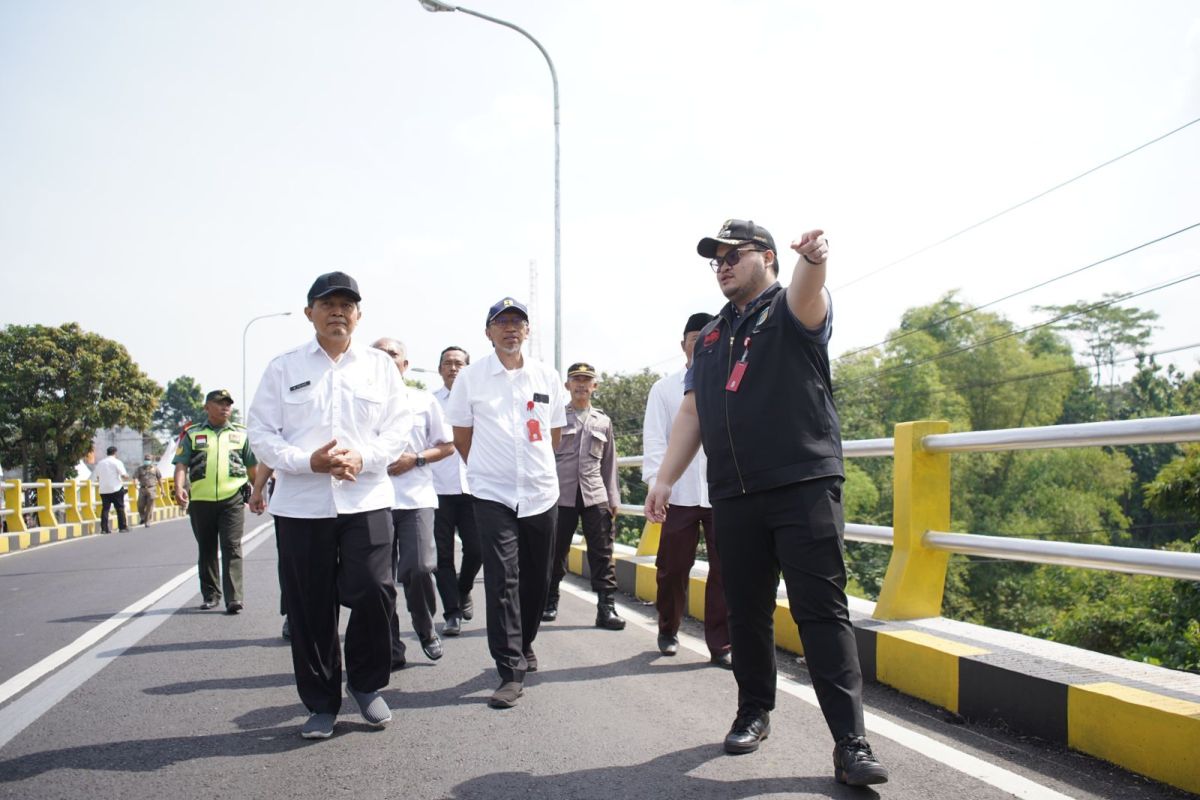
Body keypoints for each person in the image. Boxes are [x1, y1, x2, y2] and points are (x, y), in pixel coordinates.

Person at [644, 220, 889, 786]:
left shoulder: (788, 309)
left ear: (769, 258)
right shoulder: (708, 338)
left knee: (820, 611)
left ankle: (850, 741)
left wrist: (816, 260)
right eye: (717, 258)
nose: (724, 263)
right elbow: (693, 413)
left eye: (735, 254)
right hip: (734, 493)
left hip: (802, 485)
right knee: (746, 611)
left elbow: (810, 293)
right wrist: (663, 480)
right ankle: (753, 710)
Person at [247, 271, 410, 739]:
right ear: (309, 313)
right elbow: (261, 432)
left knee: (376, 588)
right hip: (302, 504)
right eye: (327, 304)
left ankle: (367, 684)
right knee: (309, 604)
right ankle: (321, 703)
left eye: (347, 305)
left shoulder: (380, 367)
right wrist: (307, 462)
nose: (338, 311)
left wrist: (365, 456)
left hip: (368, 496)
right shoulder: (283, 368)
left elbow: (397, 430)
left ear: (358, 315)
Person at [444, 297, 567, 709]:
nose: (511, 328)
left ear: (527, 331)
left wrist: (533, 470)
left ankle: (525, 641)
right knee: (501, 579)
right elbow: (462, 436)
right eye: (502, 322)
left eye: (518, 322)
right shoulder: (471, 378)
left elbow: (553, 436)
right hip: (492, 493)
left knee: (538, 577)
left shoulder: (546, 376)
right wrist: (485, 467)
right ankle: (509, 670)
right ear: (489, 332)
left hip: (540, 491)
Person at [642, 312, 731, 669]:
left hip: (721, 493)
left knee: (724, 570)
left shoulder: (731, 380)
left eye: (709, 337)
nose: (701, 343)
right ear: (684, 345)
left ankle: (720, 644)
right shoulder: (664, 388)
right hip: (678, 494)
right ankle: (668, 628)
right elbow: (654, 441)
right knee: (672, 568)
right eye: (695, 338)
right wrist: (656, 485)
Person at [372, 338, 455, 668]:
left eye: (393, 354)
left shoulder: (423, 401)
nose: (387, 359)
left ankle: (425, 628)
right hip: (372, 500)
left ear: (405, 365)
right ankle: (392, 645)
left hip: (416, 499)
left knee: (418, 568)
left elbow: (447, 446)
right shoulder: (357, 401)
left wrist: (416, 459)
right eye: (378, 354)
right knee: (379, 580)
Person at [545, 362, 623, 630]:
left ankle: (606, 608)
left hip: (594, 493)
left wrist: (613, 498)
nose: (581, 384)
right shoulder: (555, 416)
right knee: (555, 550)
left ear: (594, 386)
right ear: (567, 385)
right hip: (560, 494)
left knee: (602, 552)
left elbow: (609, 462)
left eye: (586, 380)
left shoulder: (603, 421)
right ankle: (549, 600)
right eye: (576, 379)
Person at [173, 389, 258, 614]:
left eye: (228, 404)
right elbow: (181, 463)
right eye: (219, 403)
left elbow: (252, 467)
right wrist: (178, 486)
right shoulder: (193, 434)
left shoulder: (241, 434)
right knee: (207, 548)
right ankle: (211, 595)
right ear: (207, 407)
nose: (225, 407)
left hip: (233, 498)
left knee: (231, 546)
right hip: (201, 500)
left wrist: (259, 492)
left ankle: (234, 598)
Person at [430, 345, 481, 637]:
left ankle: (463, 589)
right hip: (438, 489)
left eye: (459, 363)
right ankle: (451, 613)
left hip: (474, 487)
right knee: (442, 556)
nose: (453, 368)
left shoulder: (479, 400)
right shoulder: (430, 402)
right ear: (439, 369)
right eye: (447, 363)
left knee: (478, 549)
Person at [95, 446, 130, 534]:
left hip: (103, 489)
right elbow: (123, 475)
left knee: (105, 509)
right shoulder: (117, 462)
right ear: (115, 453)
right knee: (120, 508)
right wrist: (127, 476)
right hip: (116, 488)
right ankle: (122, 527)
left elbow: (98, 477)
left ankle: (104, 529)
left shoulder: (100, 463)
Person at [133, 454, 163, 527]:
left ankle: (147, 521)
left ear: (151, 460)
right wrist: (135, 482)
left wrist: (162, 489)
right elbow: (135, 477)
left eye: (148, 459)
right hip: (142, 489)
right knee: (140, 505)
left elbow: (159, 479)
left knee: (150, 506)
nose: (147, 461)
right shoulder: (140, 469)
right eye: (146, 459)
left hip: (152, 488)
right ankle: (143, 517)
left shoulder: (155, 469)